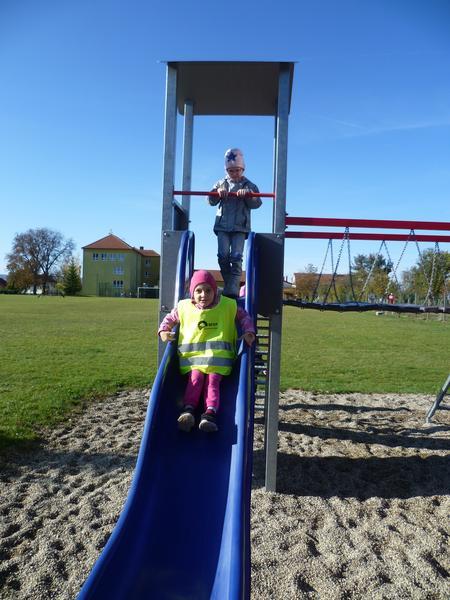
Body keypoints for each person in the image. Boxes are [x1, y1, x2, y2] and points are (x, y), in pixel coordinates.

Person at [158, 270, 256, 433]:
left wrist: (249, 331)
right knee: (195, 379)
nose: (203, 295)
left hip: (217, 361)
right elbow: (170, 318)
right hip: (193, 361)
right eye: (199, 291)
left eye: (208, 290)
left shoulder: (227, 306)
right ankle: (188, 411)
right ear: (192, 293)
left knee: (212, 382)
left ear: (215, 291)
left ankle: (209, 415)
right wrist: (163, 330)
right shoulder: (184, 307)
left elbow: (244, 317)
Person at [208, 148, 262, 298]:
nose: (234, 173)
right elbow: (210, 201)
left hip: (240, 227)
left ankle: (233, 285)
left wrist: (248, 196)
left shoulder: (249, 185)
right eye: (231, 171)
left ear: (243, 169)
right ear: (226, 170)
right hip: (223, 225)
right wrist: (217, 193)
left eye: (237, 170)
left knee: (236, 256)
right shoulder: (221, 183)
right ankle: (229, 284)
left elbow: (256, 203)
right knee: (223, 255)